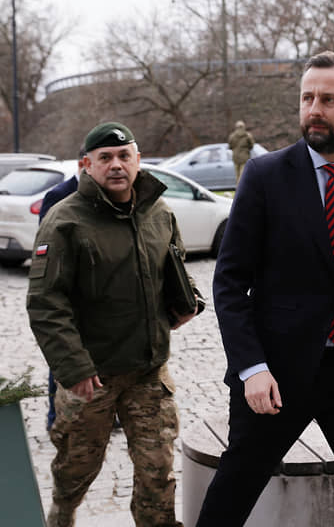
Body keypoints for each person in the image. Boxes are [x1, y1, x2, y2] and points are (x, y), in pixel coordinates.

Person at [196, 51, 334, 526]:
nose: (314, 109)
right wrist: (251, 368)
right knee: (228, 503)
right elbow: (230, 283)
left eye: (328, 100)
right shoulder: (263, 176)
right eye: (307, 98)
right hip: (275, 376)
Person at [27, 121, 204, 527]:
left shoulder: (159, 211)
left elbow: (174, 266)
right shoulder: (64, 221)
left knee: (158, 472)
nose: (117, 165)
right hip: (92, 378)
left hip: (148, 372)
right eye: (105, 158)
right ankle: (61, 518)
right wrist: (74, 368)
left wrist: (189, 300)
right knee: (75, 471)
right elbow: (45, 301)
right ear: (86, 165)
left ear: (138, 160)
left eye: (125, 156)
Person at [40, 145, 87, 432]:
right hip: (68, 292)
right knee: (62, 357)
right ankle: (54, 416)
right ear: (83, 164)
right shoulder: (58, 195)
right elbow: (46, 242)